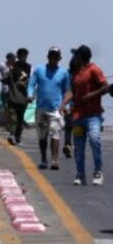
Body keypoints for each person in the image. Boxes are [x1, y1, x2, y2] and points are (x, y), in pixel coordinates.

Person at [65, 45, 108, 186]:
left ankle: (98, 172)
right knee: (79, 147)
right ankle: (80, 174)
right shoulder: (76, 73)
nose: (74, 59)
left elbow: (105, 87)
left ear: (81, 57)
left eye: (76, 56)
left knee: (95, 140)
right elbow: (73, 92)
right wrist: (66, 105)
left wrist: (91, 95)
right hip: (78, 116)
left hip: (93, 115)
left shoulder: (94, 70)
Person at [27, 47, 72, 171]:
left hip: (56, 110)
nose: (53, 59)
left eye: (56, 57)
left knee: (55, 134)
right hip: (41, 109)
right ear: (47, 57)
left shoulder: (63, 73)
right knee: (42, 136)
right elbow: (31, 84)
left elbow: (67, 91)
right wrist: (30, 95)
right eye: (51, 56)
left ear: (59, 58)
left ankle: (54, 160)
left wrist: (65, 105)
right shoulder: (39, 70)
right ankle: (43, 159)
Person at [5, 54, 30, 146]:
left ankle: (16, 137)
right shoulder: (15, 72)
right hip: (17, 99)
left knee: (17, 119)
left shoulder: (16, 72)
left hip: (20, 99)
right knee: (16, 119)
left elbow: (24, 83)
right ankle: (14, 136)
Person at [0, 52, 16, 130]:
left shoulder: (15, 66)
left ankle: (13, 125)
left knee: (13, 107)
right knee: (6, 108)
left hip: (13, 89)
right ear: (8, 59)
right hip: (5, 88)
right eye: (12, 59)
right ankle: (8, 125)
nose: (14, 60)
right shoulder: (2, 65)